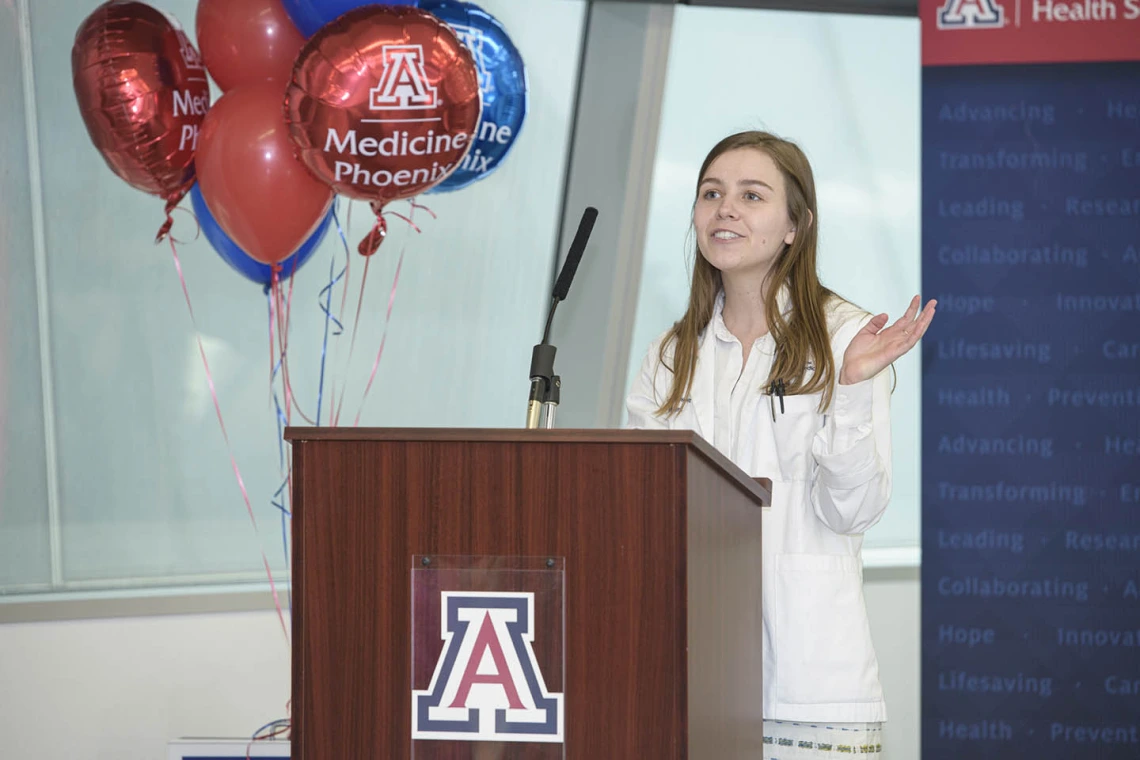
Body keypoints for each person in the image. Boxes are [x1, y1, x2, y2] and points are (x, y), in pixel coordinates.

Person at [625, 130, 935, 758]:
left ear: (796, 224)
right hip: (692, 669)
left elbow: (853, 510)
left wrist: (848, 387)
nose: (725, 210)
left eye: (751, 195)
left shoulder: (846, 338)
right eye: (711, 194)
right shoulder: (671, 354)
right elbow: (645, 508)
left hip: (810, 681)